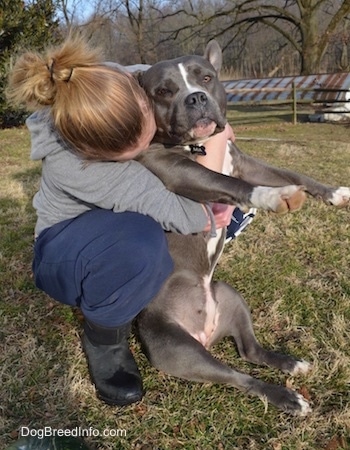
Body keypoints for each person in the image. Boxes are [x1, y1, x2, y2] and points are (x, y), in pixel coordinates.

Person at [7, 35, 238, 407]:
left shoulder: (122, 83)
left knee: (143, 237)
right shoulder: (79, 164)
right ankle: (104, 338)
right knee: (142, 242)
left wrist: (206, 130)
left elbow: (172, 92)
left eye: (147, 119)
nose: (150, 141)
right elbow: (190, 215)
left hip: (110, 227)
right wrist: (215, 146)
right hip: (64, 251)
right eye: (138, 144)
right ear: (98, 151)